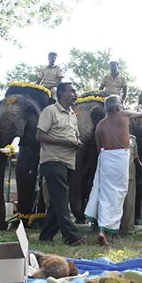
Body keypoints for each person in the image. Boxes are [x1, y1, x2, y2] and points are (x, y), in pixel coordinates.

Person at [85, 95, 142, 246]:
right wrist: (138, 109)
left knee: (105, 195)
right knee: (118, 195)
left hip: (106, 158)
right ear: (118, 106)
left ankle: (103, 231)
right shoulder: (124, 115)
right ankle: (112, 231)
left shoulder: (100, 125)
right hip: (121, 158)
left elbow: (99, 149)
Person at [36, 82, 86, 246]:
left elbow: (74, 136)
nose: (74, 94)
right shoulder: (49, 111)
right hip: (52, 160)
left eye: (75, 91)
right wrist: (64, 142)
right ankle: (71, 235)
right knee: (61, 198)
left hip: (68, 162)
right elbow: (40, 136)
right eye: (71, 91)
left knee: (58, 199)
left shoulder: (72, 114)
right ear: (61, 94)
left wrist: (76, 143)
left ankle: (46, 234)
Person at [120, 135, 142, 235]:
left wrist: (141, 167)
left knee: (129, 203)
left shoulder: (132, 140)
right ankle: (112, 227)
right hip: (113, 175)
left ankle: (128, 228)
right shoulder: (110, 134)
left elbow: (136, 158)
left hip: (129, 174)